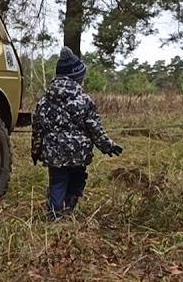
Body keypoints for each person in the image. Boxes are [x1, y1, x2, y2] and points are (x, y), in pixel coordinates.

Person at [31, 47, 123, 217]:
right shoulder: (84, 100)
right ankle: (68, 207)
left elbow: (38, 129)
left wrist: (36, 151)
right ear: (76, 77)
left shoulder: (44, 101)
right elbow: (95, 128)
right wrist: (107, 146)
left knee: (57, 182)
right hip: (78, 154)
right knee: (77, 180)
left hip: (54, 154)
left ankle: (55, 213)